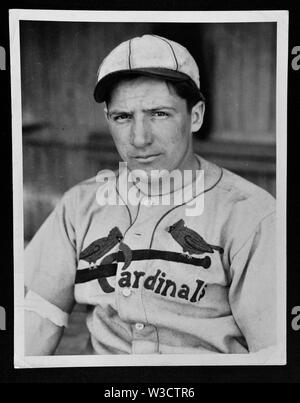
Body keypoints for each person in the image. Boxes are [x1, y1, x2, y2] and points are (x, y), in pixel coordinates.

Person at [24, 34, 276, 356]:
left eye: (159, 114)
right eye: (123, 117)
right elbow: (39, 321)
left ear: (195, 115)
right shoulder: (79, 205)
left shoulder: (251, 215)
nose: (139, 138)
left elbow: (273, 356)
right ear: (107, 120)